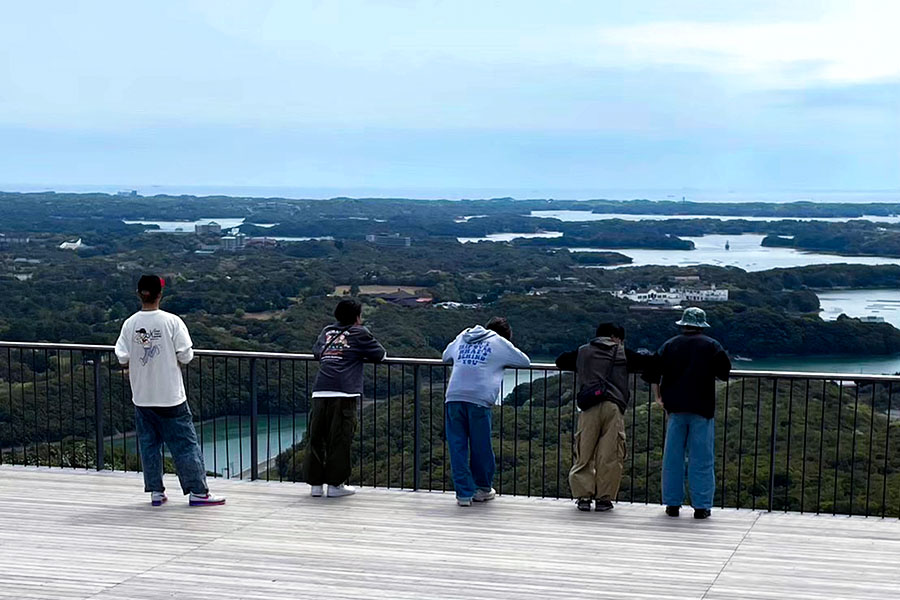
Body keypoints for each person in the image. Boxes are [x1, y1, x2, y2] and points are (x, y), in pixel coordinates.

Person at [114, 275, 225, 507]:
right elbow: (186, 355)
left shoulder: (130, 324)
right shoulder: (172, 322)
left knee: (149, 444)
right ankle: (197, 491)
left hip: (142, 396)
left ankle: (156, 491)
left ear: (138, 293)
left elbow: (122, 356)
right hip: (171, 396)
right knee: (185, 444)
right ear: (160, 294)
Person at [556, 323, 654, 512]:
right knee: (610, 454)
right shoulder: (623, 353)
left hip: (588, 406)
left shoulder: (583, 351)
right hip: (613, 406)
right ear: (615, 337)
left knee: (584, 452)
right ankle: (604, 498)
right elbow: (647, 363)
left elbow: (561, 361)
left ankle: (583, 496)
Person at [649, 307, 731, 519]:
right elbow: (724, 373)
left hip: (674, 407)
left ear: (683, 324)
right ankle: (701, 506)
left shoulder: (669, 345)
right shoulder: (711, 345)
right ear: (702, 325)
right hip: (702, 408)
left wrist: (659, 397)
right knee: (701, 458)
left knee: (672, 458)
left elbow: (652, 372)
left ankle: (672, 504)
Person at [442, 317, 530, 507]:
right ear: (506, 337)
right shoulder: (499, 342)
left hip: (454, 396)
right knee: (480, 445)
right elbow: (525, 361)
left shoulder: (463, 336)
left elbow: (445, 356)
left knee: (457, 447)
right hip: (479, 399)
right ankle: (482, 488)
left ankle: (463, 495)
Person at [307, 298, 386, 498]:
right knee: (340, 439)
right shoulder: (360, 333)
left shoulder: (327, 331)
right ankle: (335, 485)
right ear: (356, 317)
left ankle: (315, 485)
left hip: (320, 389)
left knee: (316, 437)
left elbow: (317, 352)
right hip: (344, 391)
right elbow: (380, 355)